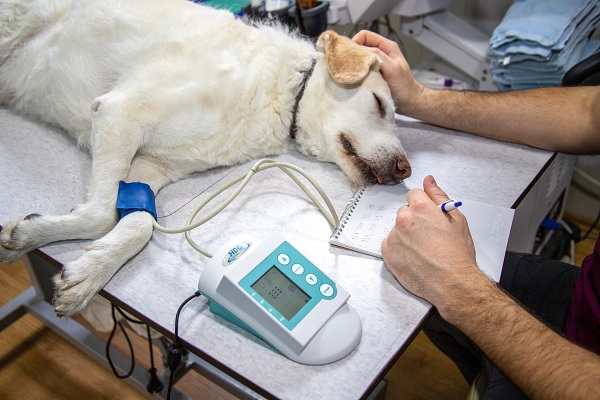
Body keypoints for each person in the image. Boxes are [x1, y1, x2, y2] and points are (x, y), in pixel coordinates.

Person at [352, 29, 600, 399]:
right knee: (423, 301)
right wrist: (419, 99)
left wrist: (460, 288)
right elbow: (587, 112)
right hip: (587, 302)